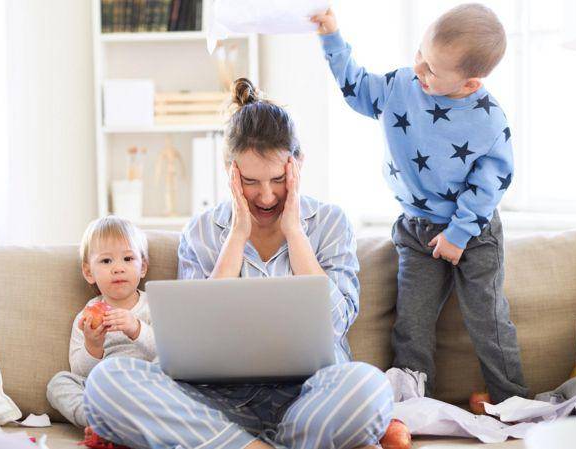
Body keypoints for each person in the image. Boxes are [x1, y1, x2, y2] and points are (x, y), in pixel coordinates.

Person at [82, 78, 394, 449]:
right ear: (230, 172)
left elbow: (335, 324)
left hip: (309, 398)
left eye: (278, 179)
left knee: (370, 389)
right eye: (250, 181)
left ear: (298, 164)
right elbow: (193, 341)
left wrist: (295, 232)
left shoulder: (329, 223)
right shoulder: (201, 231)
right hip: (214, 402)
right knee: (107, 383)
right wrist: (237, 234)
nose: (266, 196)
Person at [311, 4, 529, 404]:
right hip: (417, 229)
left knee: (487, 318)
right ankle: (410, 400)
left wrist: (459, 234)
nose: (419, 71)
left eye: (432, 70)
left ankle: (512, 398)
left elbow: (491, 182)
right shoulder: (401, 86)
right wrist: (331, 36)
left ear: (469, 84)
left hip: (474, 232)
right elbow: (356, 88)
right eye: (420, 56)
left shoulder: (488, 121)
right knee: (412, 321)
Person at [46, 216, 155, 428]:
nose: (118, 268)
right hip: (104, 392)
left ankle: (121, 424)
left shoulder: (153, 305)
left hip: (144, 383)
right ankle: (98, 423)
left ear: (143, 267)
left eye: (128, 259)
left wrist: (137, 329)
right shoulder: (86, 317)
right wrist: (93, 346)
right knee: (58, 383)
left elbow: (168, 354)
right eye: (106, 261)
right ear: (89, 272)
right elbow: (80, 372)